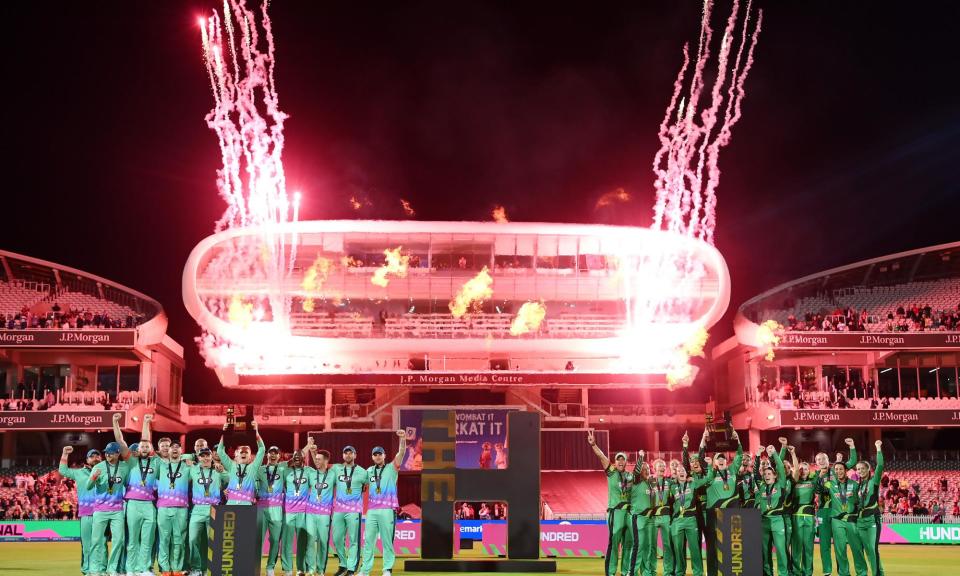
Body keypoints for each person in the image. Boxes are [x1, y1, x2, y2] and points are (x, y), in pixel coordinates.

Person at [359, 429, 407, 576]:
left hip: (388, 510)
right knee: (368, 542)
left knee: (387, 542)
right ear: (372, 457)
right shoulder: (368, 471)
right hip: (372, 511)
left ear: (384, 456)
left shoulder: (392, 468)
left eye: (380, 454)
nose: (378, 456)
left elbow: (402, 453)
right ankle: (365, 570)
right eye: (375, 454)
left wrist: (403, 438)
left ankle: (387, 569)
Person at [587, 430, 632, 576]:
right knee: (614, 544)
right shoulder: (611, 471)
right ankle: (611, 572)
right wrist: (594, 445)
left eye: (622, 459)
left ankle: (625, 572)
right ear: (615, 461)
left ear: (625, 462)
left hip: (629, 513)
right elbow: (601, 456)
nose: (620, 461)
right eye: (618, 459)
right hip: (615, 512)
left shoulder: (630, 476)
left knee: (628, 545)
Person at [87, 430, 131, 576]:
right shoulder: (98, 467)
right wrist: (93, 478)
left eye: (111, 453)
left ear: (118, 453)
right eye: (106, 453)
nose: (107, 455)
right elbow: (88, 487)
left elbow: (129, 484)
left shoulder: (124, 468)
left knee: (119, 540)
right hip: (100, 510)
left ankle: (112, 569)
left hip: (117, 510)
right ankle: (95, 569)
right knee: (96, 541)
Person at [817, 452, 868, 576]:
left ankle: (862, 573)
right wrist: (819, 478)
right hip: (833, 517)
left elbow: (860, 502)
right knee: (839, 549)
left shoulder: (854, 484)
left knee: (856, 548)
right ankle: (841, 573)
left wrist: (851, 448)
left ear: (846, 470)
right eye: (836, 469)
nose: (838, 471)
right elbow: (819, 488)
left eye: (841, 469)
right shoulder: (828, 483)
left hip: (850, 519)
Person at [121, 414, 160, 576]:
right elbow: (124, 442)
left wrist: (146, 423)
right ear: (137, 449)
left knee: (147, 540)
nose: (144, 448)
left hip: (149, 505)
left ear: (150, 449)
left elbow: (147, 440)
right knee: (133, 540)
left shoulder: (156, 462)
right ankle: (131, 569)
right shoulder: (131, 462)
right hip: (133, 504)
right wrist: (145, 422)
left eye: (147, 447)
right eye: (141, 447)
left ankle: (144, 569)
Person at [702, 430, 743, 576]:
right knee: (713, 546)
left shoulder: (732, 471)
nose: (720, 460)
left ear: (727, 462)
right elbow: (703, 461)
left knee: (730, 546)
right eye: (718, 458)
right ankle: (712, 573)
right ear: (714, 462)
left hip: (730, 514)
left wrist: (737, 440)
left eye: (723, 458)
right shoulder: (711, 473)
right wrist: (703, 438)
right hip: (713, 513)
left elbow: (739, 455)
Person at [59, 445, 102, 575]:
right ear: (87, 460)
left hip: (103, 513)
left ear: (101, 458)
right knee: (87, 545)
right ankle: (87, 570)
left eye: (97, 456)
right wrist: (65, 454)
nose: (95, 458)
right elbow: (63, 470)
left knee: (101, 544)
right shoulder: (79, 472)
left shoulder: (106, 470)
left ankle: (101, 569)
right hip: (87, 514)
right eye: (92, 456)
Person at [188, 446, 227, 576]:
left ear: (211, 456)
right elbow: (180, 459)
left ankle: (211, 569)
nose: (205, 458)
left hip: (213, 508)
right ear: (198, 457)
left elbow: (231, 479)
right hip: (197, 509)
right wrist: (189, 460)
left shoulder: (218, 470)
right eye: (202, 456)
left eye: (207, 455)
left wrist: (221, 468)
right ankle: (196, 568)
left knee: (213, 542)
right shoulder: (193, 470)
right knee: (193, 539)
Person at [331, 445, 369, 576]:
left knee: (354, 540)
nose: (348, 455)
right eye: (345, 453)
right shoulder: (336, 469)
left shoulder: (363, 472)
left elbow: (371, 484)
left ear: (355, 455)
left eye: (350, 453)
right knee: (336, 539)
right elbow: (321, 466)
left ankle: (351, 569)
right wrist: (313, 452)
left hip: (354, 511)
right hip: (338, 510)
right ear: (342, 455)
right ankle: (343, 564)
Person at [155, 440, 192, 575]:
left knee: (179, 540)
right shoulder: (161, 466)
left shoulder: (188, 467)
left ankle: (176, 568)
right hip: (163, 508)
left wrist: (190, 461)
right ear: (168, 451)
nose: (175, 449)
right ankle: (165, 569)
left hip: (181, 508)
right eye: (172, 447)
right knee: (164, 540)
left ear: (181, 451)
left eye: (178, 447)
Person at [281, 445, 316, 576]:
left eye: (299, 456)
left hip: (303, 512)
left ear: (303, 459)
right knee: (286, 543)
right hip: (289, 512)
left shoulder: (309, 471)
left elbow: (321, 472)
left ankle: (301, 569)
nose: (296, 458)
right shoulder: (286, 471)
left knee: (302, 543)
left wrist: (311, 450)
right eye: (294, 456)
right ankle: (288, 570)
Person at [669, 462, 710, 576]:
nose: (681, 472)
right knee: (678, 549)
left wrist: (709, 465)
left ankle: (698, 572)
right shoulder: (672, 487)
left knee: (695, 548)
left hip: (691, 520)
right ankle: (680, 572)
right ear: (676, 475)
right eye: (679, 471)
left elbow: (708, 478)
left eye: (683, 470)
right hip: (677, 520)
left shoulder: (693, 484)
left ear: (687, 473)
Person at [216, 419, 265, 505]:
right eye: (241, 452)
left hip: (246, 504)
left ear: (250, 458)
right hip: (230, 503)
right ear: (235, 455)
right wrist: (224, 433)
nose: (243, 453)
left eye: (246, 452)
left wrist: (256, 433)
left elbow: (262, 449)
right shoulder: (231, 465)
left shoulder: (253, 468)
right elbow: (220, 450)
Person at [303, 445, 335, 576]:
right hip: (310, 513)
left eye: (319, 459)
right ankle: (311, 569)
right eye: (315, 459)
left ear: (326, 461)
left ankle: (320, 569)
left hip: (325, 514)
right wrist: (311, 449)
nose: (316, 461)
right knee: (310, 541)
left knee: (322, 542)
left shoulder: (333, 474)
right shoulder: (311, 473)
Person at [756, 445, 788, 576]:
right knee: (765, 550)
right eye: (765, 474)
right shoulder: (762, 487)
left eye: (769, 473)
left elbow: (780, 467)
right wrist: (758, 455)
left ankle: (783, 573)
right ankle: (768, 573)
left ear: (775, 475)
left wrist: (774, 453)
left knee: (780, 550)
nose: (767, 475)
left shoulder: (780, 484)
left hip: (777, 520)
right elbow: (754, 473)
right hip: (763, 521)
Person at [856, 441, 885, 576]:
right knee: (864, 550)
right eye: (858, 469)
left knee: (873, 549)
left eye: (863, 468)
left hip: (873, 519)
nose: (860, 471)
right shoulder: (858, 486)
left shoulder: (874, 481)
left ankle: (878, 574)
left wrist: (878, 448)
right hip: (860, 521)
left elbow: (880, 465)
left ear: (868, 469)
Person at [258, 444, 288, 576]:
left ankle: (270, 567)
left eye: (276, 453)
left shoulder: (283, 468)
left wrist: (309, 446)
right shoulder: (259, 469)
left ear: (279, 455)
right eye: (271, 452)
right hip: (261, 508)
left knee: (275, 540)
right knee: (258, 540)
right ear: (267, 455)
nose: (273, 455)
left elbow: (298, 456)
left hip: (277, 509)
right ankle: (254, 565)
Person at [791, 452, 818, 576]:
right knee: (796, 547)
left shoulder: (813, 481)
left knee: (808, 548)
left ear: (810, 470)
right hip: (796, 517)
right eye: (801, 468)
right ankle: (796, 572)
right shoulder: (793, 481)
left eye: (806, 468)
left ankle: (807, 572)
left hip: (809, 517)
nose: (804, 470)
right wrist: (793, 454)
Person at [627, 451, 653, 576]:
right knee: (638, 546)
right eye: (644, 469)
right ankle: (631, 572)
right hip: (638, 517)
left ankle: (646, 572)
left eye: (648, 468)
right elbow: (636, 472)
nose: (646, 470)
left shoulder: (649, 483)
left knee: (647, 546)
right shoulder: (636, 480)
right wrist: (641, 457)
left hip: (649, 519)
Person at [648, 458, 674, 576]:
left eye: (664, 466)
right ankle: (651, 571)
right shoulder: (649, 481)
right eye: (660, 466)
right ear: (654, 468)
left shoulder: (669, 482)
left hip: (665, 516)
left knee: (668, 545)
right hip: (652, 518)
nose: (663, 468)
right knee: (651, 545)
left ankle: (668, 571)